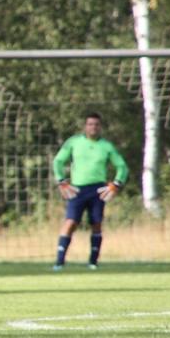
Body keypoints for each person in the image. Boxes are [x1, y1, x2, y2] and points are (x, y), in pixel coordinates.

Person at [52, 111, 128, 270]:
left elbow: (121, 166)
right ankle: (59, 262)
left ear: (100, 127)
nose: (93, 127)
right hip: (77, 189)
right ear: (85, 126)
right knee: (70, 222)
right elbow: (58, 161)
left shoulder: (106, 146)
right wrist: (61, 181)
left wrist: (116, 184)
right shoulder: (74, 142)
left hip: (97, 189)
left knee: (96, 223)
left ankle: (93, 262)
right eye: (90, 124)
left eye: (96, 124)